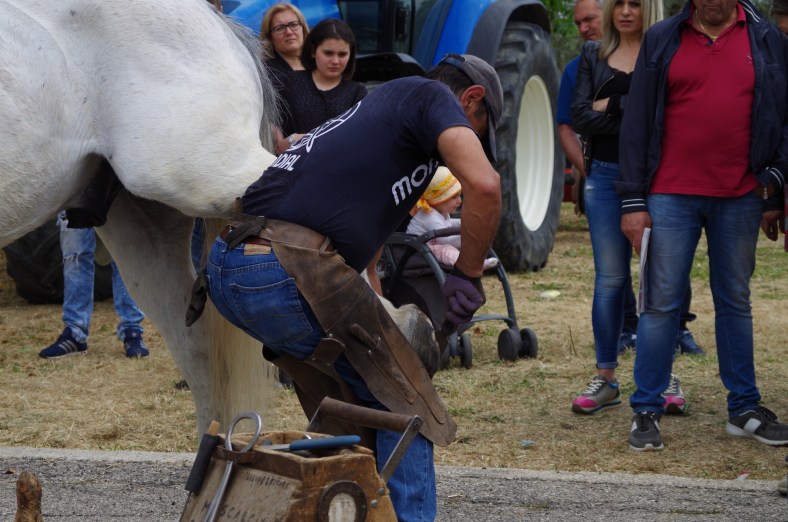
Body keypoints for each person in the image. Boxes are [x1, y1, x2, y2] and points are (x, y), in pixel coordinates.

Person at [204, 53, 502, 521]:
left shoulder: (386, 120)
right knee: (409, 403)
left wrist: (378, 306)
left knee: (349, 409)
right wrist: (466, 275)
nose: (471, 144)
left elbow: (364, 243)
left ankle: (350, 507)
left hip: (233, 265)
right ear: (471, 99)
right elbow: (485, 186)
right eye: (478, 130)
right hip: (284, 267)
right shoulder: (429, 95)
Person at [618, 0, 788, 451]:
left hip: (742, 195)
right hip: (669, 193)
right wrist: (633, 199)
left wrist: (775, 180)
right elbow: (636, 121)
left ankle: (744, 409)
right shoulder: (662, 38)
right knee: (660, 303)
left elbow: (783, 113)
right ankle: (646, 409)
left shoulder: (767, 38)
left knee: (736, 300)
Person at [559, 0, 704, 361]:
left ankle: (664, 372)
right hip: (605, 176)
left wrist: (609, 104)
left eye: (635, 4)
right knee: (610, 280)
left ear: (649, 9)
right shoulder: (593, 54)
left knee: (662, 278)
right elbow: (580, 118)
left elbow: (668, 119)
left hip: (658, 176)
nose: (625, 11)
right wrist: (634, 110)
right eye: (618, 4)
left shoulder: (667, 52)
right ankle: (605, 371)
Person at [39, 213, 149, 359]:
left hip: (120, 193)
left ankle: (132, 332)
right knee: (75, 255)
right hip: (75, 194)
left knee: (126, 253)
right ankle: (74, 335)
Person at [273, 18, 367, 154]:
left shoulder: (357, 93)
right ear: (313, 51)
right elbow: (272, 133)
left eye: (342, 54)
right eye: (328, 53)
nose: (335, 61)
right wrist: (285, 138)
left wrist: (301, 139)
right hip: (291, 170)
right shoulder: (288, 82)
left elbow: (358, 140)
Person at [406, 166, 498, 271]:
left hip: (429, 245)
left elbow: (448, 224)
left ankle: (477, 262)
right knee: (447, 250)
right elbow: (445, 239)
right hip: (418, 251)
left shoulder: (441, 212)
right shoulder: (430, 216)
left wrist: (467, 223)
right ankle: (469, 267)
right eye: (454, 197)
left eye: (459, 196)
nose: (459, 201)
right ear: (437, 200)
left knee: (457, 247)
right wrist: (467, 237)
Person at [260, 2, 309, 76]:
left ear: (303, 28)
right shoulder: (267, 74)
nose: (289, 32)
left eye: (294, 24)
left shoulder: (320, 63)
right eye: (280, 28)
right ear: (270, 37)